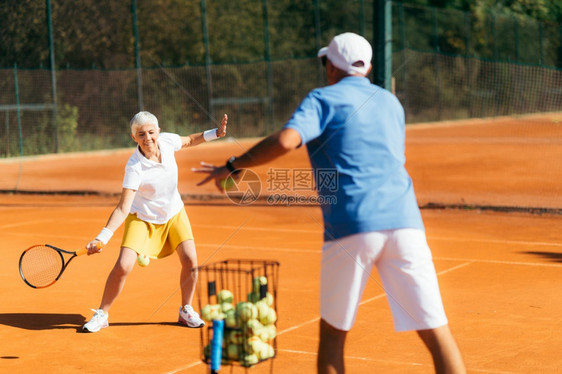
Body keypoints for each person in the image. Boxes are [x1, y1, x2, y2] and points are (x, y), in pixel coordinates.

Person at [194, 33, 465, 373]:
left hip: (352, 225)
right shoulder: (391, 102)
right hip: (406, 224)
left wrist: (232, 166)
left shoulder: (322, 98)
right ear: (366, 68)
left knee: (333, 337)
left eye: (325, 63)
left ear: (331, 67)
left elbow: (286, 140)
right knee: (437, 333)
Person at [82, 111, 228, 333]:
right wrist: (102, 236)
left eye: (151, 132)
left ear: (158, 131)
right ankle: (102, 313)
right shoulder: (134, 167)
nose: (147, 138)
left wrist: (215, 133)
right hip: (142, 218)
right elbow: (123, 207)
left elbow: (189, 140)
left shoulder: (167, 141)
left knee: (190, 260)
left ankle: (186, 309)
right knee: (123, 266)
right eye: (141, 134)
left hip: (173, 213)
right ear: (134, 137)